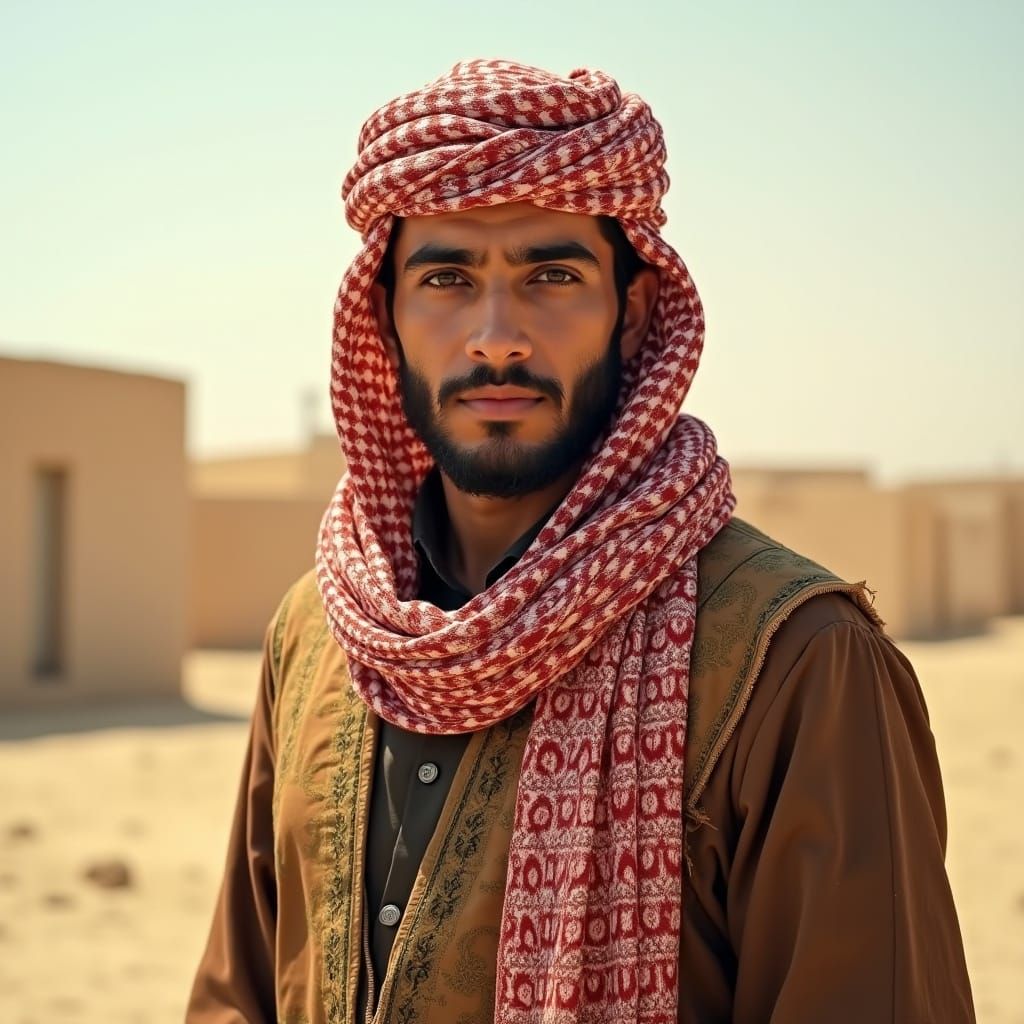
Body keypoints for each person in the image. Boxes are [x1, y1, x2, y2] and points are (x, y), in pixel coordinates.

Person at [186, 60, 975, 1023]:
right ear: (384, 319)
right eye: (446, 278)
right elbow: (238, 992)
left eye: (552, 276)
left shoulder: (798, 660)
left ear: (632, 315)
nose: (497, 338)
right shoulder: (318, 632)